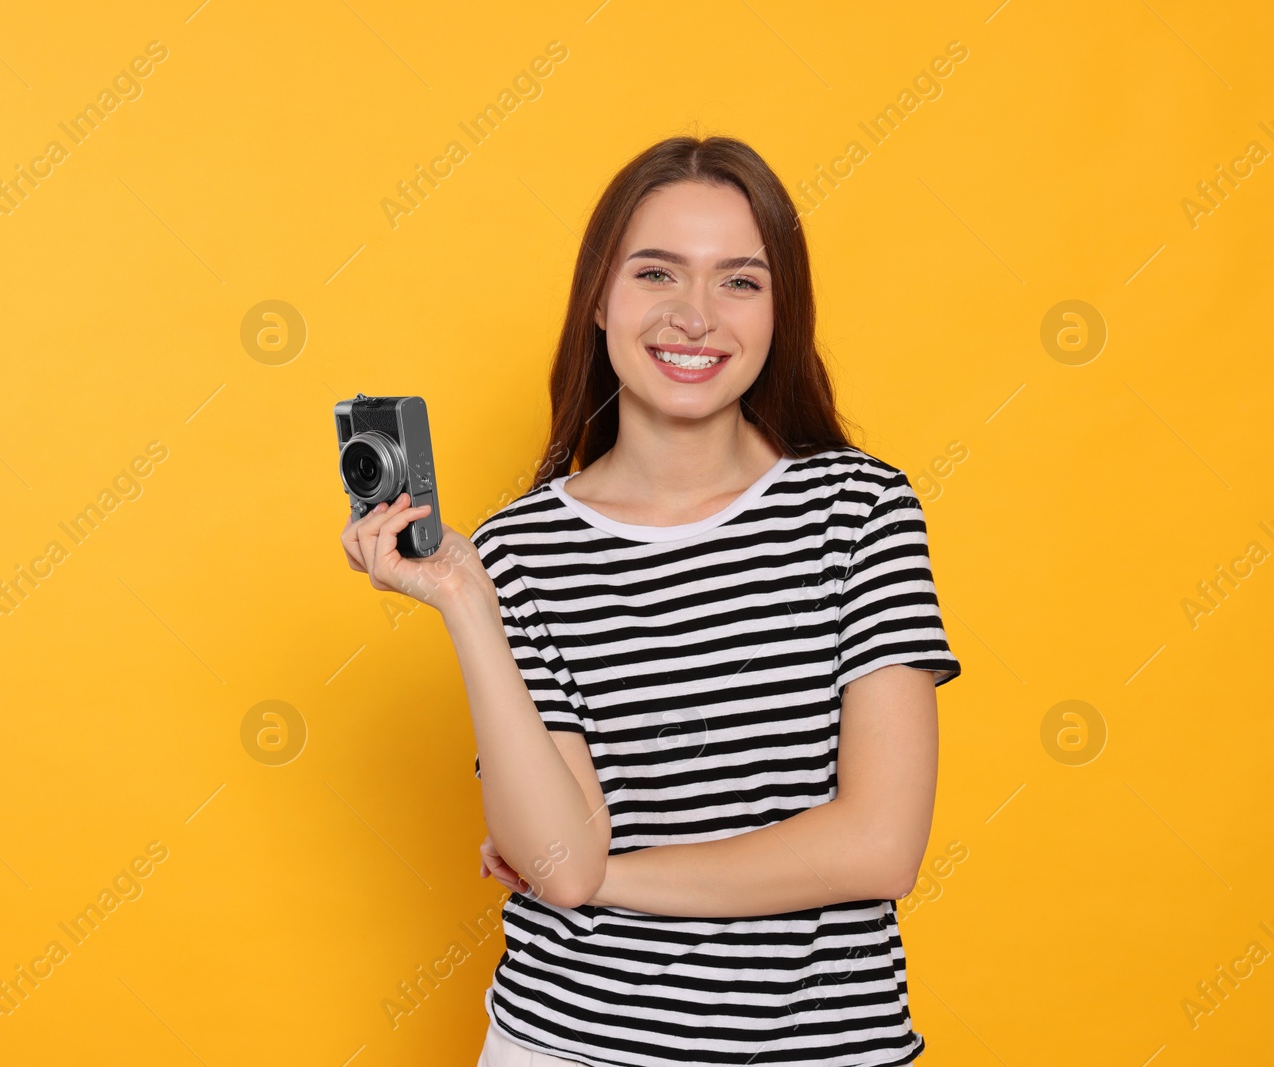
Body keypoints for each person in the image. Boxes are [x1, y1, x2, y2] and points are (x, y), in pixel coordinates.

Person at [340, 135, 962, 1067]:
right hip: (568, 1044)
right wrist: (467, 602)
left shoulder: (861, 511)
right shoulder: (519, 550)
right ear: (600, 296)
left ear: (781, 309)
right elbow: (555, 849)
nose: (695, 316)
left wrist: (599, 879)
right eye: (657, 273)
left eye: (740, 281)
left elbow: (878, 847)